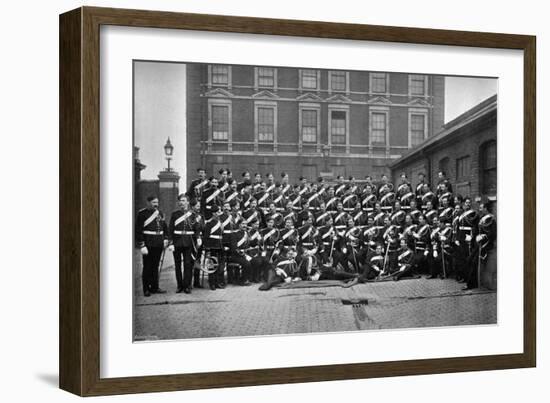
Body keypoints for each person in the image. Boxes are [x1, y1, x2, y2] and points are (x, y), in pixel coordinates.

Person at [168, 194, 202, 294]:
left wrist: (198, 237)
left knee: (188, 264)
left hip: (189, 242)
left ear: (187, 202)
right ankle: (179, 286)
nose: (181, 203)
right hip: (177, 242)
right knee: (177, 265)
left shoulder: (193, 215)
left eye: (183, 201)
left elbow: (197, 228)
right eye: (180, 201)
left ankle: (187, 285)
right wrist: (171, 243)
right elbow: (171, 229)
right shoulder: (175, 214)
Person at [135, 196, 168, 296]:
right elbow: (138, 231)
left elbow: (164, 227)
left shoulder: (160, 213)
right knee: (147, 267)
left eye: (157, 202)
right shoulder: (142, 214)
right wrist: (142, 245)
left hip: (158, 243)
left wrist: (166, 238)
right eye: (154, 202)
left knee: (155, 266)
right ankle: (146, 289)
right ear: (148, 202)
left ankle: (155, 287)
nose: (156, 204)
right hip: (148, 244)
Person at [463, 198, 496, 290]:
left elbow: (493, 233)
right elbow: (476, 229)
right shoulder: (481, 218)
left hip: (487, 245)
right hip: (479, 244)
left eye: (481, 208)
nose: (480, 209)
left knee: (474, 262)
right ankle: (472, 282)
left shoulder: (491, 219)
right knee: (469, 260)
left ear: (486, 208)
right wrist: (472, 237)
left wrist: (483, 237)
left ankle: (471, 284)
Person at [202, 205, 224, 290]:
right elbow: (206, 236)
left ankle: (217, 282)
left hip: (219, 245)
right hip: (212, 246)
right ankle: (212, 283)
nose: (219, 214)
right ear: (213, 213)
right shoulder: (209, 223)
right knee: (212, 265)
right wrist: (207, 247)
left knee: (219, 265)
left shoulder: (220, 222)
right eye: (217, 212)